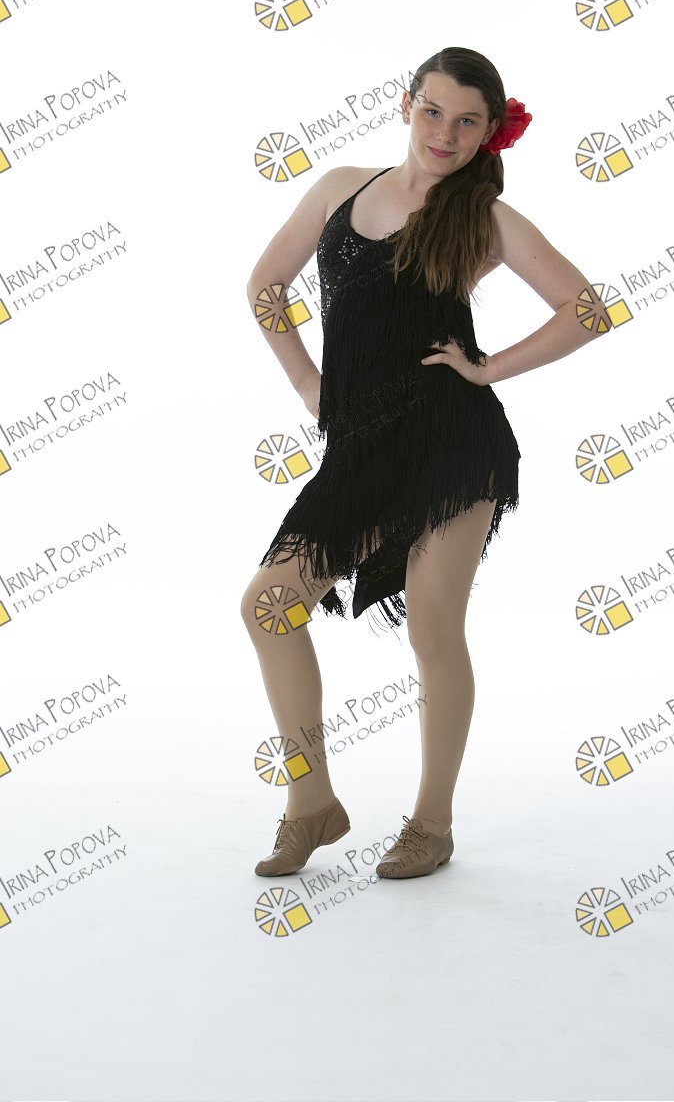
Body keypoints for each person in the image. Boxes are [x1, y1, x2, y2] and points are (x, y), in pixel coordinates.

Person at [240, 46, 610, 880]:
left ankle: (431, 824)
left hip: (453, 444)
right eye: (434, 111)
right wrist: (307, 383)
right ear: (406, 104)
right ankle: (311, 802)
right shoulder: (339, 188)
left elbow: (586, 309)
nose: (446, 132)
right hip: (362, 448)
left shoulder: (483, 219)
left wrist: (486, 369)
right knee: (269, 605)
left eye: (467, 121)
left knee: (432, 625)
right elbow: (266, 287)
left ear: (489, 132)